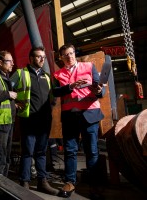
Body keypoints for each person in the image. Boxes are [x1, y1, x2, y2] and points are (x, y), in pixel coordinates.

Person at [52, 44, 105, 198]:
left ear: (75, 53)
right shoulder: (58, 74)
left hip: (90, 113)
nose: (69, 56)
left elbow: (100, 86)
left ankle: (94, 184)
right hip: (70, 117)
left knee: (92, 150)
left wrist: (99, 90)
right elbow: (55, 91)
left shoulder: (89, 66)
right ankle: (70, 182)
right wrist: (70, 87)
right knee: (70, 150)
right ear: (61, 58)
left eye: (71, 53)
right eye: (65, 55)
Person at [10, 46, 59, 195]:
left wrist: (51, 106)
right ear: (31, 58)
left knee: (41, 152)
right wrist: (14, 104)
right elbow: (7, 89)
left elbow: (52, 96)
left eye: (43, 57)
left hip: (44, 120)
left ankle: (42, 182)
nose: (42, 59)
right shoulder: (21, 73)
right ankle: (24, 182)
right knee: (27, 152)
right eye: (38, 56)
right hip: (29, 119)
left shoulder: (46, 76)